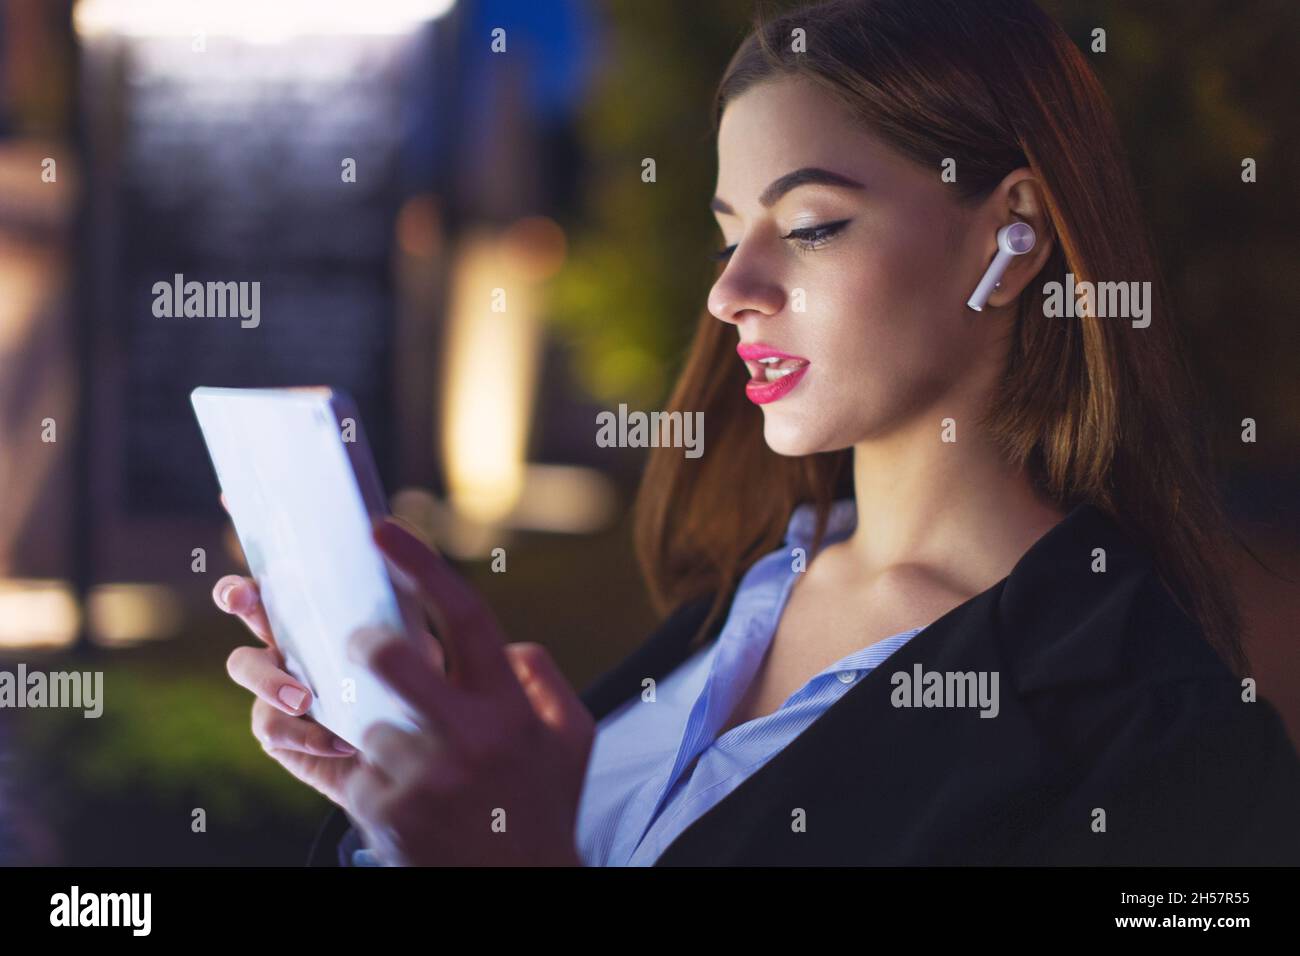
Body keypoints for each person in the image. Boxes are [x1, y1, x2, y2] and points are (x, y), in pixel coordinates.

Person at [215, 0, 1300, 866]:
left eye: (813, 225)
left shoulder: (1162, 736)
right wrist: (408, 802)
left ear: (1010, 237)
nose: (731, 290)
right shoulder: (745, 593)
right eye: (728, 235)